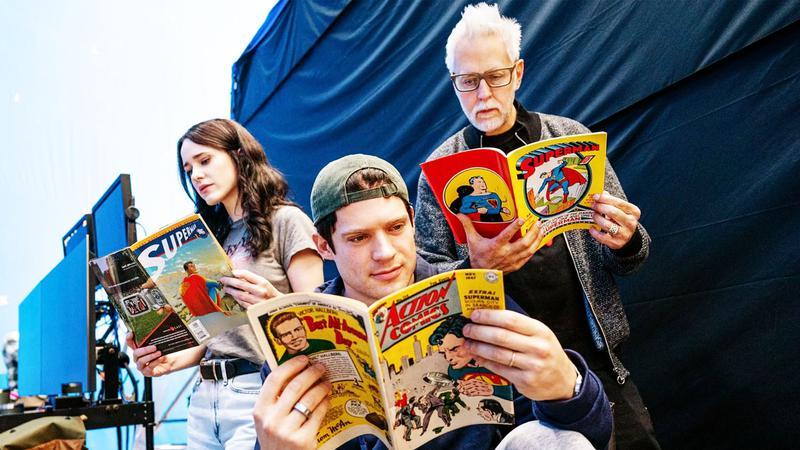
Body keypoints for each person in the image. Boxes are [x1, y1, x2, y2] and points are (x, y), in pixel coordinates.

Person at [414, 4, 659, 448]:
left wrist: (624, 242)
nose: (483, 94)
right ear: (454, 84)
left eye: (496, 76)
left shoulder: (570, 137)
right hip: (501, 380)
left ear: (519, 72)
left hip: (595, 358)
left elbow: (631, 256)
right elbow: (426, 289)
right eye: (467, 82)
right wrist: (476, 266)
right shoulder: (438, 171)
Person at [254, 154, 611, 450]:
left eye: (395, 228)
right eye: (359, 238)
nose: (384, 253)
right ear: (324, 246)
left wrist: (569, 389)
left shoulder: (472, 294)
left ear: (412, 223)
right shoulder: (296, 333)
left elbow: (588, 434)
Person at [127, 118, 323, 450]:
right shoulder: (210, 238)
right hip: (204, 396)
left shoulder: (287, 221)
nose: (197, 175)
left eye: (204, 160)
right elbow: (215, 332)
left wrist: (271, 301)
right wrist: (165, 360)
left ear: (239, 155)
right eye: (189, 169)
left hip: (259, 390)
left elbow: (318, 325)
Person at [268, 311, 335, 363]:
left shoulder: (326, 345)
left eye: (297, 329)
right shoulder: (281, 365)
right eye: (286, 334)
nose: (295, 337)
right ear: (278, 341)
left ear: (304, 329)